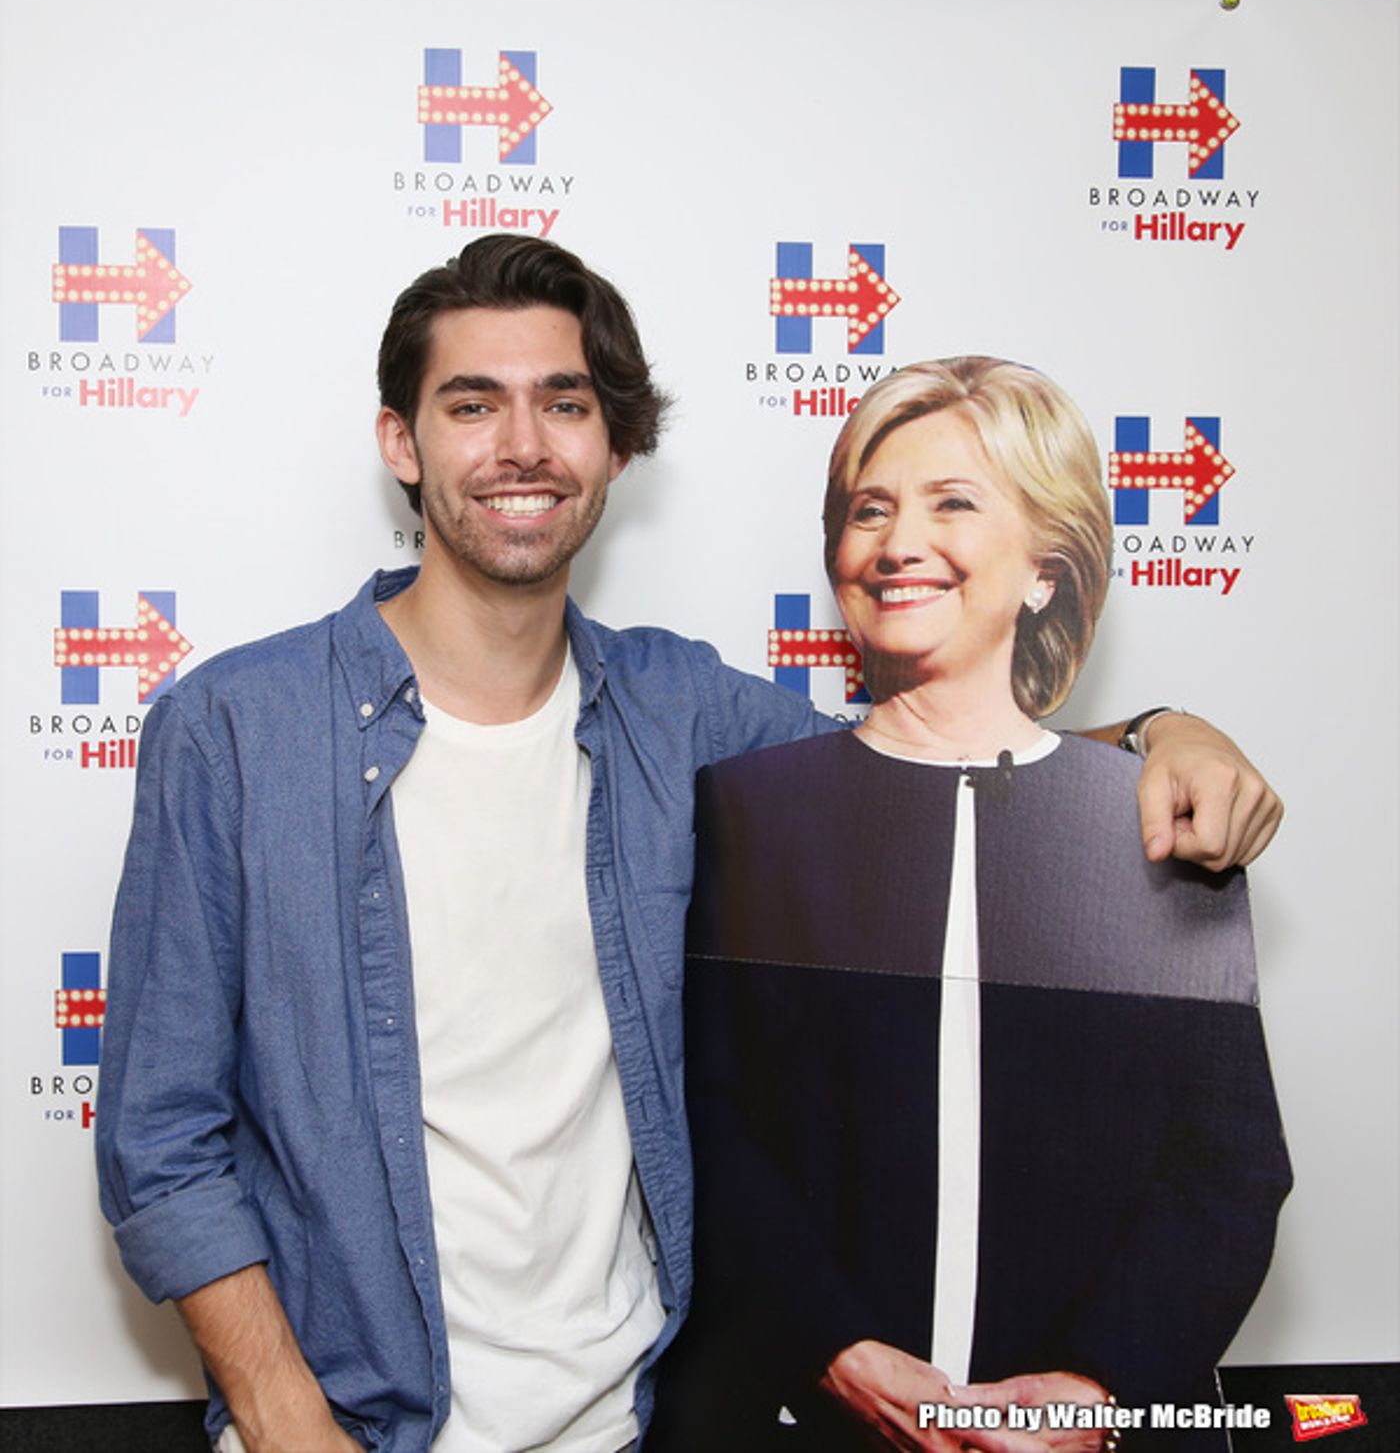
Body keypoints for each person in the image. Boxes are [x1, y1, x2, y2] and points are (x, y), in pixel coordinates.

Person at [94, 243, 1281, 1453]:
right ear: (401, 444)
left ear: (613, 446)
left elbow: (925, 764)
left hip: (631, 1422)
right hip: (351, 1424)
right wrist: (288, 1424)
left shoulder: (686, 714)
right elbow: (160, 1139)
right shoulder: (235, 730)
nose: (521, 446)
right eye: (471, 404)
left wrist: (1152, 732)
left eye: (563, 403)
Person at [649, 358, 1291, 1453]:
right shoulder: (747, 805)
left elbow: (1224, 1170)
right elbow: (709, 1127)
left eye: (952, 501)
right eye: (869, 508)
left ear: (1045, 569)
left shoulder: (1157, 822)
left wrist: (1097, 1392)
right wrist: (837, 1350)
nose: (899, 541)